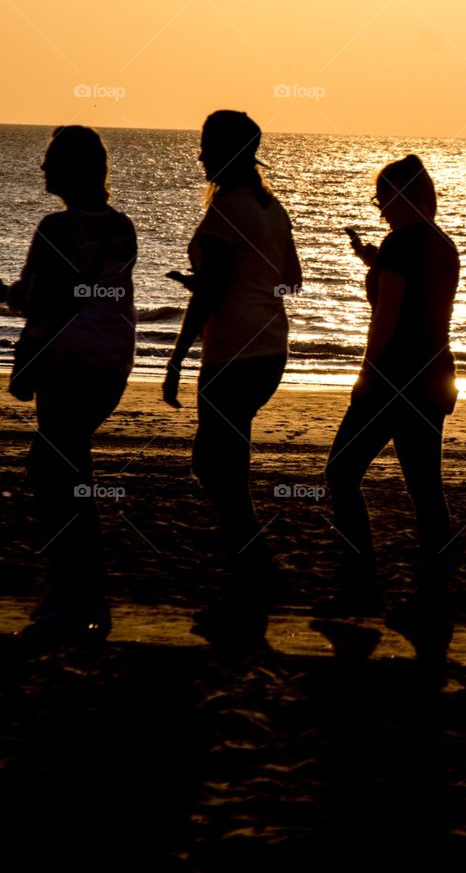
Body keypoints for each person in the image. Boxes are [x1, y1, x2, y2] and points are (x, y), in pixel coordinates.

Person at [162, 110, 301, 647]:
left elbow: (213, 294)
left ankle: (251, 582)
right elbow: (291, 281)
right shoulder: (272, 210)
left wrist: (176, 358)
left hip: (232, 355)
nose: (199, 156)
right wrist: (245, 291)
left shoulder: (224, 210)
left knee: (218, 469)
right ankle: (255, 572)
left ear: (223, 153)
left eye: (204, 147)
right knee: (222, 465)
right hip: (270, 348)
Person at [0, 126, 136, 642]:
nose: (42, 168)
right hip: (112, 361)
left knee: (56, 473)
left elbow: (43, 300)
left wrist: (5, 293)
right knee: (68, 468)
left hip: (69, 360)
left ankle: (71, 597)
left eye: (50, 159)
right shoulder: (122, 226)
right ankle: (83, 594)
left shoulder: (56, 229)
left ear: (69, 169)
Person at [324, 154, 459, 625]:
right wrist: (374, 262)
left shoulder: (400, 244)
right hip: (435, 377)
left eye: (384, 197)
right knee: (425, 490)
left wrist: (366, 373)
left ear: (404, 196)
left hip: (394, 380)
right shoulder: (441, 244)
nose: (380, 208)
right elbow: (416, 296)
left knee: (341, 473)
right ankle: (434, 595)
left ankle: (360, 585)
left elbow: (388, 317)